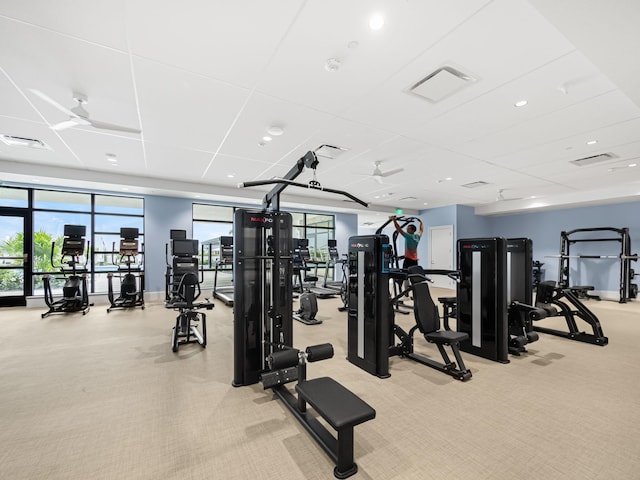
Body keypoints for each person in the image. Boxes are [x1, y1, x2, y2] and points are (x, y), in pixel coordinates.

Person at [391, 215, 424, 294]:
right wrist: (421, 222)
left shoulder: (409, 236)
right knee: (413, 277)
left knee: (404, 275)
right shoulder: (417, 236)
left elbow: (398, 229)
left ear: (412, 230)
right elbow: (421, 230)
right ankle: (413, 293)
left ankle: (404, 292)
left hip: (408, 260)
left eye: (408, 228)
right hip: (415, 260)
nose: (406, 229)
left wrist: (394, 220)